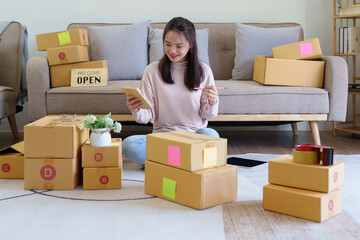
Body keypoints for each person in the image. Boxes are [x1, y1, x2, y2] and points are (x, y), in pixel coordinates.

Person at [122, 17, 219, 165]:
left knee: (212, 135)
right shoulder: (152, 71)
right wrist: (136, 110)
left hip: (194, 136)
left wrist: (213, 102)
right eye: (167, 44)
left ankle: (164, 160)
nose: (172, 51)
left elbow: (208, 115)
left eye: (179, 46)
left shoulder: (204, 71)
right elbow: (146, 117)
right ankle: (186, 161)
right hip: (163, 137)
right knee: (129, 145)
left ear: (191, 44)